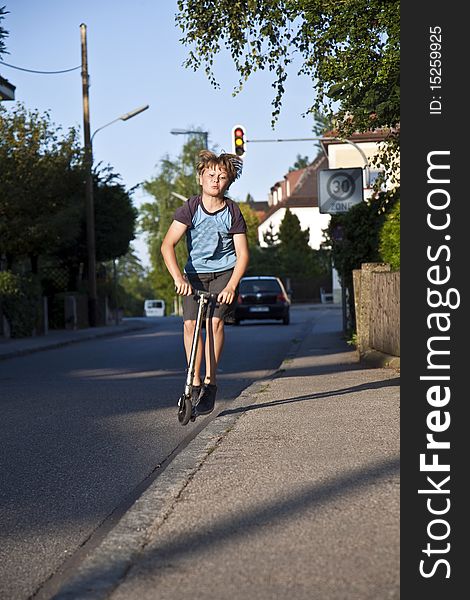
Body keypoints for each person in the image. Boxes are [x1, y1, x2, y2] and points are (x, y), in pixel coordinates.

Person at [161, 150, 250, 416]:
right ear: (201, 177)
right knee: (190, 325)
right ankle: (195, 381)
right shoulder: (190, 208)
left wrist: (232, 286)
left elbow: (243, 254)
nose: (216, 180)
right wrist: (179, 278)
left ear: (228, 183)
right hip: (195, 275)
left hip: (225, 274)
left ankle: (211, 383)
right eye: (211, 175)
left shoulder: (232, 211)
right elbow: (168, 245)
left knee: (214, 323)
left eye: (222, 177)